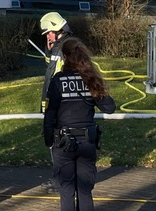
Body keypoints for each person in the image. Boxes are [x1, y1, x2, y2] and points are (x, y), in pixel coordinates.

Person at [42, 37, 115, 211]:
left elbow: (50, 114)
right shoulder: (90, 80)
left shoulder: (58, 81)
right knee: (85, 192)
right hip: (87, 142)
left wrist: (48, 140)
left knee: (67, 192)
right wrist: (97, 84)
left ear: (65, 57)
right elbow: (109, 107)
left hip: (63, 143)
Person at [38, 11, 74, 194]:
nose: (47, 36)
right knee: (56, 145)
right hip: (55, 103)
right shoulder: (59, 47)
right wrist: (49, 48)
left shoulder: (66, 48)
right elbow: (51, 65)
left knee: (59, 146)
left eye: (48, 33)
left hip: (60, 106)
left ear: (56, 30)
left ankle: (62, 181)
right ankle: (60, 178)